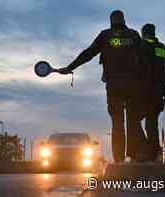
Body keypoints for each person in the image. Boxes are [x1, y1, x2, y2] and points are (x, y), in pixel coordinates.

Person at [59, 10, 144, 162]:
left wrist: (70, 67)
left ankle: (118, 159)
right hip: (134, 85)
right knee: (133, 121)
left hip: (114, 85)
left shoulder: (105, 35)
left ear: (111, 21)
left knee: (117, 122)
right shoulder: (134, 35)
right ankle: (134, 155)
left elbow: (88, 53)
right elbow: (145, 59)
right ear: (124, 20)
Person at [140, 23, 165, 161]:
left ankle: (148, 151)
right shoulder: (163, 49)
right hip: (160, 92)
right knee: (152, 123)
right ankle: (154, 152)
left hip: (146, 92)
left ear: (144, 33)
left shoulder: (143, 47)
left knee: (134, 121)